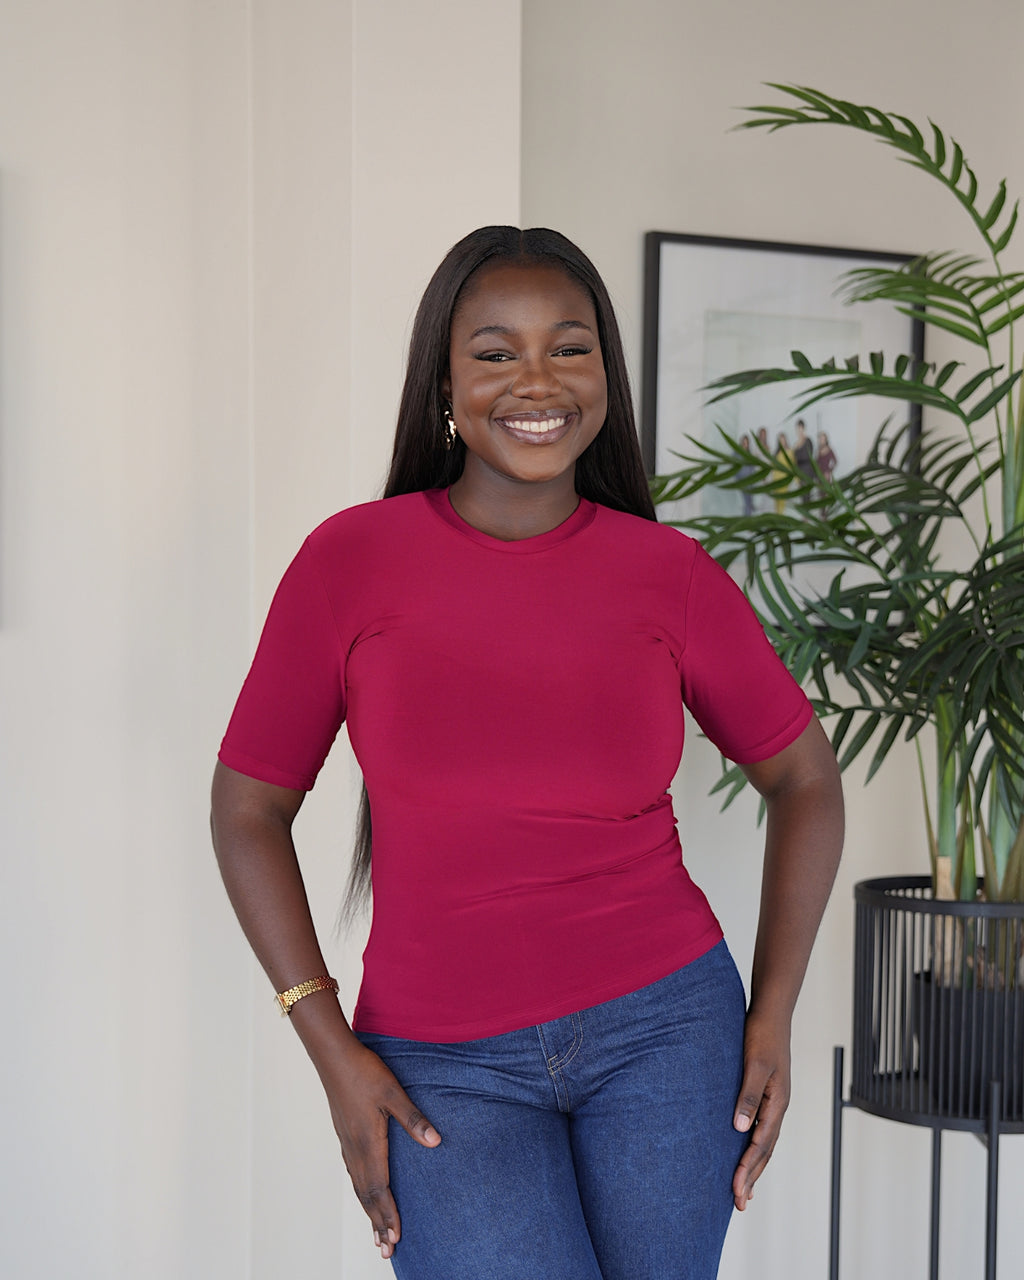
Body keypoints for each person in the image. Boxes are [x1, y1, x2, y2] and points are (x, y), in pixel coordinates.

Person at [210, 226, 844, 1280]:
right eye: (496, 352)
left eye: (570, 347)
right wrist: (326, 1042)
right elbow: (246, 809)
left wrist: (771, 1014)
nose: (537, 381)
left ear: (605, 375)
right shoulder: (348, 562)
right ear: (445, 384)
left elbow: (805, 778)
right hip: (438, 1064)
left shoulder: (669, 573)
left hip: (668, 1035)